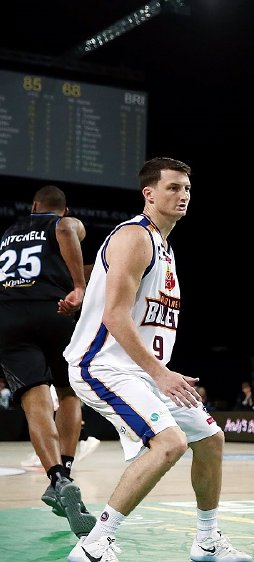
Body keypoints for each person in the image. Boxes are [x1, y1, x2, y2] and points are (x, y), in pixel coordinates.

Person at [63, 157, 251, 562]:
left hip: (141, 372)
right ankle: (94, 544)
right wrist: (160, 373)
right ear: (148, 194)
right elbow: (114, 316)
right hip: (103, 366)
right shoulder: (135, 236)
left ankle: (207, 542)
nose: (183, 195)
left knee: (211, 440)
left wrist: (157, 373)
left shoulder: (164, 247)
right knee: (170, 443)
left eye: (187, 188)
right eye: (173, 187)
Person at [0, 184, 96, 538]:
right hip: (53, 312)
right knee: (69, 393)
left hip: (9, 317)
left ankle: (56, 478)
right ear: (62, 209)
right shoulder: (63, 223)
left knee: (34, 402)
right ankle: (66, 470)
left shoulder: (8, 234)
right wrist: (80, 286)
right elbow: (68, 230)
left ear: (34, 205)